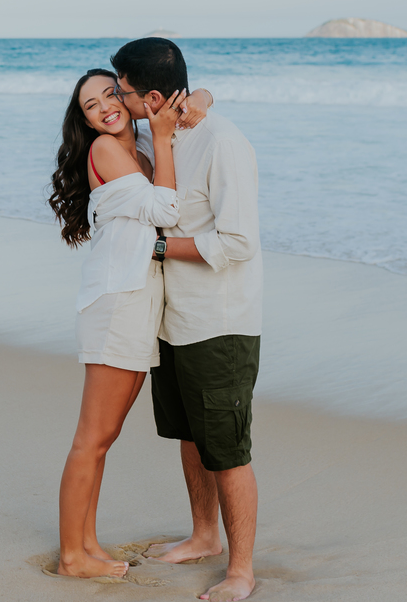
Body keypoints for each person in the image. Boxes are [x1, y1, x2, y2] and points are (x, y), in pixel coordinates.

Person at [110, 38, 262, 602]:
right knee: (189, 435)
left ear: (149, 95)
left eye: (121, 89)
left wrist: (156, 249)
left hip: (220, 322)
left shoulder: (223, 143)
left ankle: (241, 570)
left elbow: (239, 241)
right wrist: (202, 94)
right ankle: (204, 536)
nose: (116, 98)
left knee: (226, 447)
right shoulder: (156, 132)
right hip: (171, 317)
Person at [47, 68, 209, 578]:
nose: (103, 107)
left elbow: (191, 100)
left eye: (110, 95)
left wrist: (200, 96)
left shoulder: (135, 142)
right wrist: (162, 137)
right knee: (91, 438)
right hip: (117, 304)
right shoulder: (106, 151)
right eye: (90, 105)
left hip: (133, 303)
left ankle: (87, 544)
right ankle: (73, 556)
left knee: (104, 437)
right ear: (85, 119)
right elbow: (165, 206)